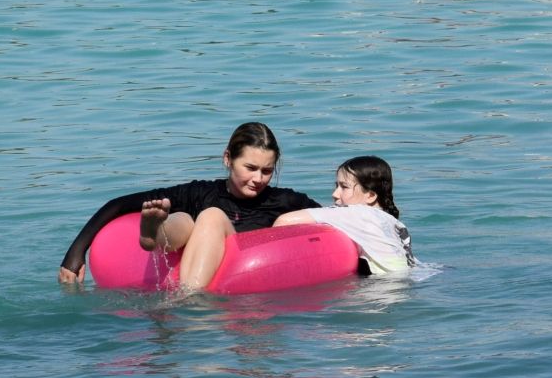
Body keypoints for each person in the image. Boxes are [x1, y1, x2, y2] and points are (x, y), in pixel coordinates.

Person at [56, 121, 319, 290]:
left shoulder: (284, 201)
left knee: (210, 217)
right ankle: (154, 233)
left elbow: (337, 222)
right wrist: (75, 253)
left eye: (267, 170)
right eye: (250, 168)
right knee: (186, 219)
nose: (258, 179)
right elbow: (118, 204)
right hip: (189, 256)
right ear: (228, 159)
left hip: (240, 268)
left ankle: (161, 241)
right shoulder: (200, 192)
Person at [273, 155, 415, 278]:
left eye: (344, 187)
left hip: (379, 291)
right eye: (336, 186)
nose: (335, 194)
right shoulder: (392, 222)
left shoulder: (356, 213)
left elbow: (283, 221)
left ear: (370, 195)